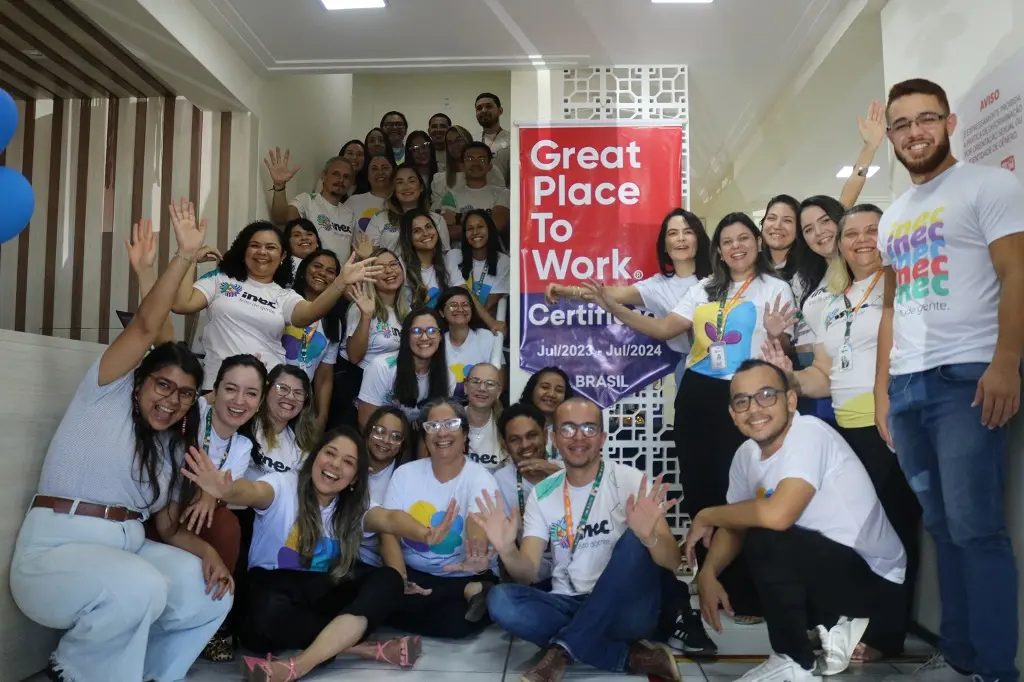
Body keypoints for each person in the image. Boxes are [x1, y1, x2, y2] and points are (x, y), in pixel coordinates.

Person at [10, 213, 233, 682]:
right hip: (55, 549)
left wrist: (208, 556)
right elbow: (149, 329)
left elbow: (169, 530)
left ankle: (147, 675)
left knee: (207, 591)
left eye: (185, 394)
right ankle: (70, 673)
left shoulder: (172, 444)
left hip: (128, 551)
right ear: (140, 383)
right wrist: (183, 257)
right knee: (141, 587)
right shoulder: (106, 390)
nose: (170, 400)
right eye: (162, 386)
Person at [874, 78, 1024, 682]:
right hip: (908, 387)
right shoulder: (891, 216)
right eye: (903, 124)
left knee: (975, 526)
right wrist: (884, 390)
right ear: (890, 136)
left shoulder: (989, 185)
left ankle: (995, 667)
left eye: (926, 119)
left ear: (950, 121)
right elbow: (890, 307)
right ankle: (959, 654)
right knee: (940, 527)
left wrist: (1007, 360)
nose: (915, 132)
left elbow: (1016, 273)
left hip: (967, 376)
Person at [587, 212, 796, 624]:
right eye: (728, 241)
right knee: (702, 490)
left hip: (747, 398)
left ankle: (750, 593)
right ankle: (712, 586)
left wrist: (776, 332)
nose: (736, 247)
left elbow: (782, 348)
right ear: (718, 249)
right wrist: (611, 306)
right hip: (698, 394)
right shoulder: (704, 288)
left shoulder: (776, 288)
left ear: (756, 243)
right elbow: (665, 329)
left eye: (744, 239)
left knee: (747, 493)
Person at [685, 360, 908, 682]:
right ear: (733, 414)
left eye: (766, 395)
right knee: (755, 530)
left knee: (768, 534)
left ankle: (794, 660)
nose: (754, 408)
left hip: (876, 583)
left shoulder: (809, 433)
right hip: (829, 570)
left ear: (790, 400)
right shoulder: (746, 455)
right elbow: (735, 526)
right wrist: (708, 572)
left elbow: (777, 516)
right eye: (742, 401)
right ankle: (827, 625)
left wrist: (706, 514)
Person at [762, 205, 922, 654]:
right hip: (843, 428)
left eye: (872, 231)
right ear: (840, 243)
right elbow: (823, 375)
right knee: (846, 528)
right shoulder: (823, 303)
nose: (861, 240)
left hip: (889, 421)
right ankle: (849, 622)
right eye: (852, 233)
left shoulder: (903, 286)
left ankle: (886, 634)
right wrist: (788, 375)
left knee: (892, 528)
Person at [182, 426, 459, 680]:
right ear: (315, 457)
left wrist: (424, 533)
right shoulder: (283, 485)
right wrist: (227, 489)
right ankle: (363, 649)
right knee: (261, 616)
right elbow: (253, 490)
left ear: (354, 479)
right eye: (330, 453)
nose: (335, 465)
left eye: (348, 462)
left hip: (323, 587)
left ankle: (297, 666)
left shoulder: (353, 506)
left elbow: (388, 519)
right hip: (272, 586)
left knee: (389, 580)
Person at [479, 397, 682, 682]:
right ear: (554, 438)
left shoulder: (629, 480)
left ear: (602, 437)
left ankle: (562, 651)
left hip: (626, 610)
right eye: (568, 429)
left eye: (588, 429)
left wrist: (649, 538)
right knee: (501, 600)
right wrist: (506, 549)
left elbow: (673, 561)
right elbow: (526, 573)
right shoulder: (543, 493)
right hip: (568, 601)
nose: (578, 438)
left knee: (635, 540)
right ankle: (625, 656)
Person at [172, 204, 381, 391]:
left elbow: (309, 314)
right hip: (218, 387)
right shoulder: (220, 279)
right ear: (244, 251)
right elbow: (182, 304)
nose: (262, 252)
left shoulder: (284, 295)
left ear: (282, 257)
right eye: (255, 245)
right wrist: (188, 257)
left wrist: (340, 282)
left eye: (271, 247)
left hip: (268, 391)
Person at [383, 398, 502, 637]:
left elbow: (477, 522)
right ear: (425, 437)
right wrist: (400, 579)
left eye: (450, 424)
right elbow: (388, 529)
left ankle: (475, 587)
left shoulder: (480, 478)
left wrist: (475, 555)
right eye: (433, 427)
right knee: (381, 599)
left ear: (465, 433)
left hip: (463, 573)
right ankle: (474, 592)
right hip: (414, 573)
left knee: (455, 625)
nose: (441, 433)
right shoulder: (405, 474)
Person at [553, 208, 712, 385]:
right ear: (665, 246)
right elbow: (608, 294)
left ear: (699, 239)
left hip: (728, 362)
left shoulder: (717, 279)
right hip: (690, 368)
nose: (681, 238)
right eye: (673, 233)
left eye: (688, 232)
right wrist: (565, 291)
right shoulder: (658, 286)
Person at [493, 402, 561, 585]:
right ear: (505, 445)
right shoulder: (499, 481)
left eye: (532, 436)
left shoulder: (567, 471)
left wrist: (559, 476)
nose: (525, 445)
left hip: (576, 575)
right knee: (501, 599)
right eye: (515, 439)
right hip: (530, 577)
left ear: (546, 435)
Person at [356, 307, 456, 427]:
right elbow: (365, 423)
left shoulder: (448, 377)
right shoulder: (382, 367)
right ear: (406, 336)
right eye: (417, 331)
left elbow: (436, 427)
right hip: (378, 436)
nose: (424, 337)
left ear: (440, 337)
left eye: (431, 331)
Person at [287, 249, 345, 433]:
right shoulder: (284, 300)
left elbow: (325, 376)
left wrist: (322, 416)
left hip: (300, 401)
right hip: (269, 392)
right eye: (317, 266)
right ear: (304, 270)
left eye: (330, 271)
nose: (322, 273)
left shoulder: (334, 320)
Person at [266, 150, 358, 262]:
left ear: (351, 182)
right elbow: (280, 218)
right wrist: (279, 186)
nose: (341, 180)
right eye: (336, 174)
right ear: (323, 176)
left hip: (340, 277)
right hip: (313, 275)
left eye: (346, 177)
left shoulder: (350, 214)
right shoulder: (307, 200)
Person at [359, 407, 414, 568]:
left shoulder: (406, 477)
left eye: (396, 436)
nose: (385, 440)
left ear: (402, 444)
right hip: (341, 552)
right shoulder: (349, 463)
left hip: (381, 562)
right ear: (368, 431)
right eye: (379, 431)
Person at [364, 165, 451, 253]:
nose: (406, 187)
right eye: (399, 182)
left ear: (421, 187)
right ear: (393, 189)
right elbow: (369, 255)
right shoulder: (380, 218)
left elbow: (445, 255)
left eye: (411, 181)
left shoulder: (437, 220)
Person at [435, 141, 511, 240]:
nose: (475, 163)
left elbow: (496, 226)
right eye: (470, 159)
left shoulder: (503, 193)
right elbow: (447, 231)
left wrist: (459, 218)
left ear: (489, 166)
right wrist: (484, 225)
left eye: (482, 159)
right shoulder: (451, 196)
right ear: (462, 166)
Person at [438, 286, 500, 398]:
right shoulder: (437, 341)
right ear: (442, 312)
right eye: (453, 305)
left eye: (465, 305)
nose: (460, 309)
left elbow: (500, 375)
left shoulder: (487, 337)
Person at [447, 209, 511, 315]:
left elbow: (489, 305)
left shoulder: (503, 261)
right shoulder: (454, 256)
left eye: (480, 227)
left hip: (484, 326)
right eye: (470, 228)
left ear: (490, 229)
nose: (475, 232)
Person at [397, 208, 458, 309]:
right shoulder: (400, 266)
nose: (426, 233)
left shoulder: (447, 261)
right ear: (408, 237)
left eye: (429, 227)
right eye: (417, 231)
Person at [431, 126, 505, 207]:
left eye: (458, 139)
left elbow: (502, 200)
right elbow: (437, 210)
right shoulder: (439, 179)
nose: (455, 144)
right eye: (450, 142)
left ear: (468, 139)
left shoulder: (490, 170)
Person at [519, 367, 575, 460]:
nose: (551, 394)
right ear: (532, 390)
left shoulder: (573, 432)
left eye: (559, 390)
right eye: (545, 387)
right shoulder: (515, 425)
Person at [463, 363, 506, 471]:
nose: (482, 388)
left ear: (498, 392)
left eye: (490, 383)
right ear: (465, 387)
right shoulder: (451, 421)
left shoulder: (507, 426)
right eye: (476, 381)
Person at [345, 154, 393, 232]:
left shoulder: (402, 201)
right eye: (374, 169)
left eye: (385, 168)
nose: (380, 172)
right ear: (368, 176)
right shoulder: (354, 201)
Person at [476, 92, 511, 186]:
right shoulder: (472, 140)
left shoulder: (513, 140)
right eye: (479, 108)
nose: (483, 110)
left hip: (505, 196)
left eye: (488, 106)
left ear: (500, 111)